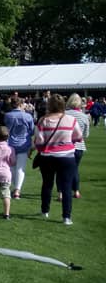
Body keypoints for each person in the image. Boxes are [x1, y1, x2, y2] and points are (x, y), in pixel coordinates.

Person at [32, 94, 83, 224]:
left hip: (47, 157)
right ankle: (66, 217)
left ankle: (45, 211)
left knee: (47, 184)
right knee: (66, 186)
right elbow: (78, 137)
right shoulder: (71, 119)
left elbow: (39, 140)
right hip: (66, 156)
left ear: (49, 105)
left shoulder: (43, 120)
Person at [3, 96, 34, 200]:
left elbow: (5, 129)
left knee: (12, 168)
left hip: (10, 144)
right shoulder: (28, 116)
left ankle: (15, 188)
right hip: (24, 144)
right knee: (20, 168)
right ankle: (17, 190)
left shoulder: (7, 115)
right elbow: (32, 131)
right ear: (20, 105)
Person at [63, 93, 90, 201]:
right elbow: (86, 134)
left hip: (65, 145)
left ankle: (63, 191)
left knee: (63, 170)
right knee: (74, 169)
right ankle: (76, 190)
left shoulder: (64, 114)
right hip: (79, 146)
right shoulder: (84, 116)